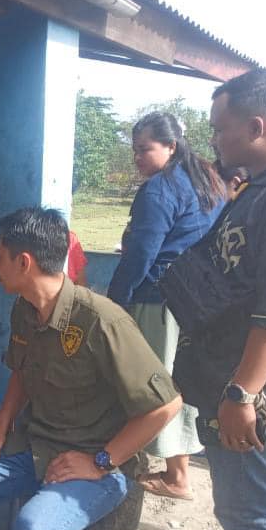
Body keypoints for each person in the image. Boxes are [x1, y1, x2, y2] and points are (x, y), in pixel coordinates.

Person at [0, 207, 182, 530]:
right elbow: (21, 370)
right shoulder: (25, 309)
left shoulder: (102, 320)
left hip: (100, 461)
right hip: (36, 446)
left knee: (36, 527)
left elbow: (166, 406)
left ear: (24, 262)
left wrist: (100, 462)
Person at [164, 69, 266, 530]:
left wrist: (242, 394)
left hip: (252, 389)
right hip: (225, 375)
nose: (213, 139)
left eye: (219, 128)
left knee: (253, 508)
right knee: (236, 500)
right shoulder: (258, 189)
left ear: (256, 126)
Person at [107, 111, 226, 501]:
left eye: (145, 150)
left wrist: (116, 302)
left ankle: (171, 475)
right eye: (135, 150)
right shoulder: (209, 181)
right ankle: (176, 470)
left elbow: (141, 254)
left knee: (153, 384)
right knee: (180, 381)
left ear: (171, 146)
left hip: (159, 300)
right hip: (197, 300)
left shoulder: (160, 189)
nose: (137, 158)